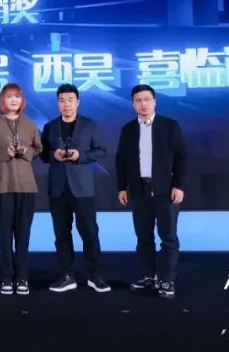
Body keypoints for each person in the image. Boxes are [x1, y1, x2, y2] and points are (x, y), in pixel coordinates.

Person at [116, 84, 188, 300]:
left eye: (147, 99)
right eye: (138, 100)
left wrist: (179, 185)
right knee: (143, 238)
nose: (143, 104)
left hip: (166, 191)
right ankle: (148, 276)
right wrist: (122, 187)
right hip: (138, 190)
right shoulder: (128, 129)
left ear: (155, 101)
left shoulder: (169, 126)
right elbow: (121, 160)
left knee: (168, 238)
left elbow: (182, 157)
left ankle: (167, 280)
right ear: (133, 104)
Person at [39, 83, 110, 293]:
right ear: (57, 103)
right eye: (62, 100)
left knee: (90, 232)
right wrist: (54, 154)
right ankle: (66, 275)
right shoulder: (50, 127)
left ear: (78, 102)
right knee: (61, 234)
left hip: (83, 188)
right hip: (57, 188)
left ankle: (95, 275)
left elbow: (101, 150)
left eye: (70, 100)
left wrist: (81, 155)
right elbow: (43, 154)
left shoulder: (90, 125)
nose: (66, 104)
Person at [0, 83, 41, 295]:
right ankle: (7, 277)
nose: (14, 100)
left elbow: (38, 148)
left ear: (22, 100)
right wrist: (3, 153)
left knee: (23, 234)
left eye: (17, 96)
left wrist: (26, 151)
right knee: (4, 235)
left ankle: (22, 277)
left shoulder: (30, 124)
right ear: (2, 100)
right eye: (9, 96)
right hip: (1, 185)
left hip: (26, 186)